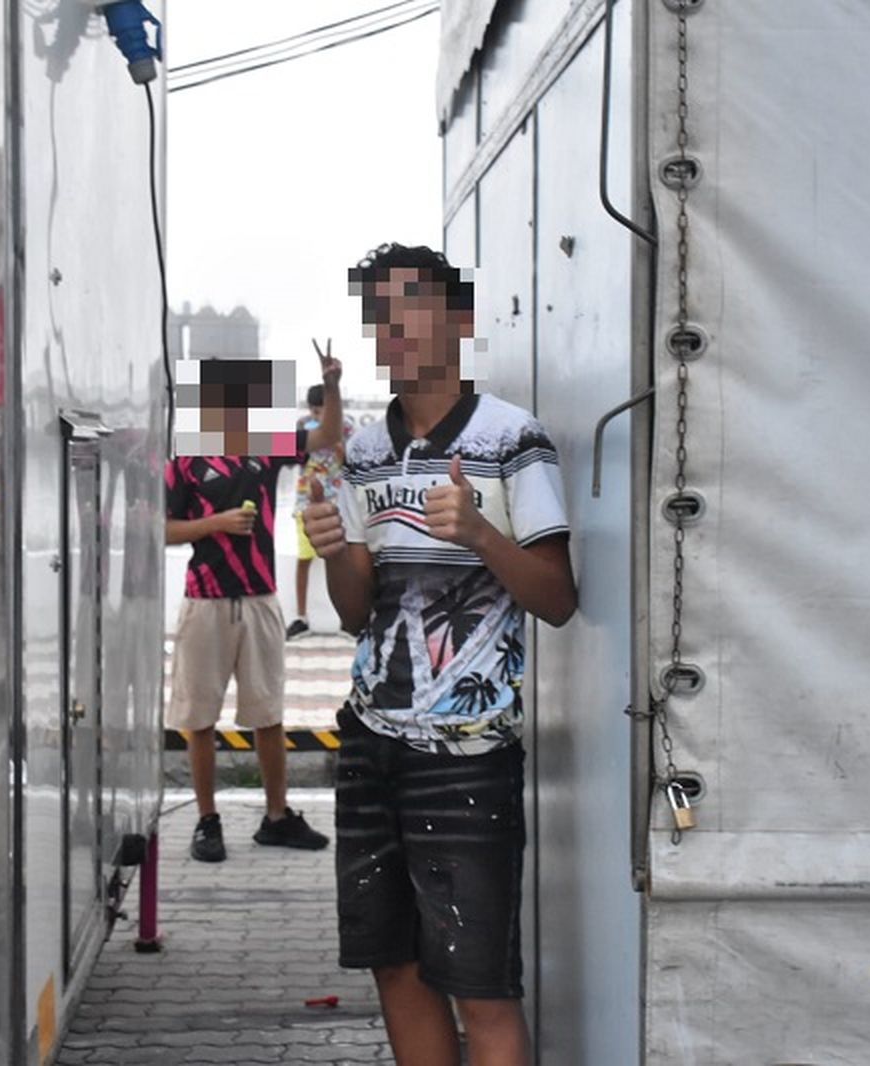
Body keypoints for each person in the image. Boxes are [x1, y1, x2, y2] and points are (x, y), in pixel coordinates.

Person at [302, 243, 577, 1066]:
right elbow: (358, 612)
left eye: (412, 305)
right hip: (369, 744)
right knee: (395, 969)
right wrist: (333, 549)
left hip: (471, 755)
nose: (394, 327)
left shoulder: (512, 439)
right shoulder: (361, 453)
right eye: (379, 313)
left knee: (482, 987)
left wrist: (479, 531)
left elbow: (557, 600)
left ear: (460, 321)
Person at [164, 346, 345, 862]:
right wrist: (214, 525)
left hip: (262, 598)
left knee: (269, 713)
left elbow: (327, 438)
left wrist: (330, 386)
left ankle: (277, 815)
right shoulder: (184, 460)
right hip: (205, 601)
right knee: (198, 718)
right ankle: (206, 821)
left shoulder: (263, 445)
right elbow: (162, 529)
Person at [287, 383, 354, 641]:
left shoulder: (346, 427)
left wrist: (336, 443)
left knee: (340, 561)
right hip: (306, 501)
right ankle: (301, 618)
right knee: (303, 559)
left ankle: (346, 620)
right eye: (314, 412)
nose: (318, 417)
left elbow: (352, 462)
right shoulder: (303, 426)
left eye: (322, 411)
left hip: (338, 502)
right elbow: (294, 458)